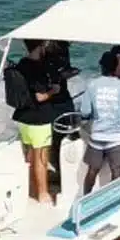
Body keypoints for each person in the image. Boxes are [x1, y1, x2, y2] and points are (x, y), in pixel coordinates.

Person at [78, 49, 120, 194]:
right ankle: (112, 199)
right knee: (117, 172)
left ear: (102, 67)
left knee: (92, 171)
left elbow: (85, 112)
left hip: (97, 136)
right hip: (117, 138)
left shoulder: (92, 85)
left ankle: (85, 198)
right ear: (116, 67)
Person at [10, 38, 58, 205]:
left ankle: (32, 189)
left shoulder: (21, 64)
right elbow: (40, 96)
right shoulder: (38, 68)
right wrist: (54, 90)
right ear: (41, 46)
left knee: (30, 156)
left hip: (23, 118)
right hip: (39, 118)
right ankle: (43, 194)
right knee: (41, 157)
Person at [43, 40, 79, 198]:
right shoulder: (49, 53)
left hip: (63, 98)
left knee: (69, 134)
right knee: (59, 137)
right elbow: (51, 76)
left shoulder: (63, 49)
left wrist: (67, 73)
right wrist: (63, 75)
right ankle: (58, 175)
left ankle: (61, 173)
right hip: (55, 101)